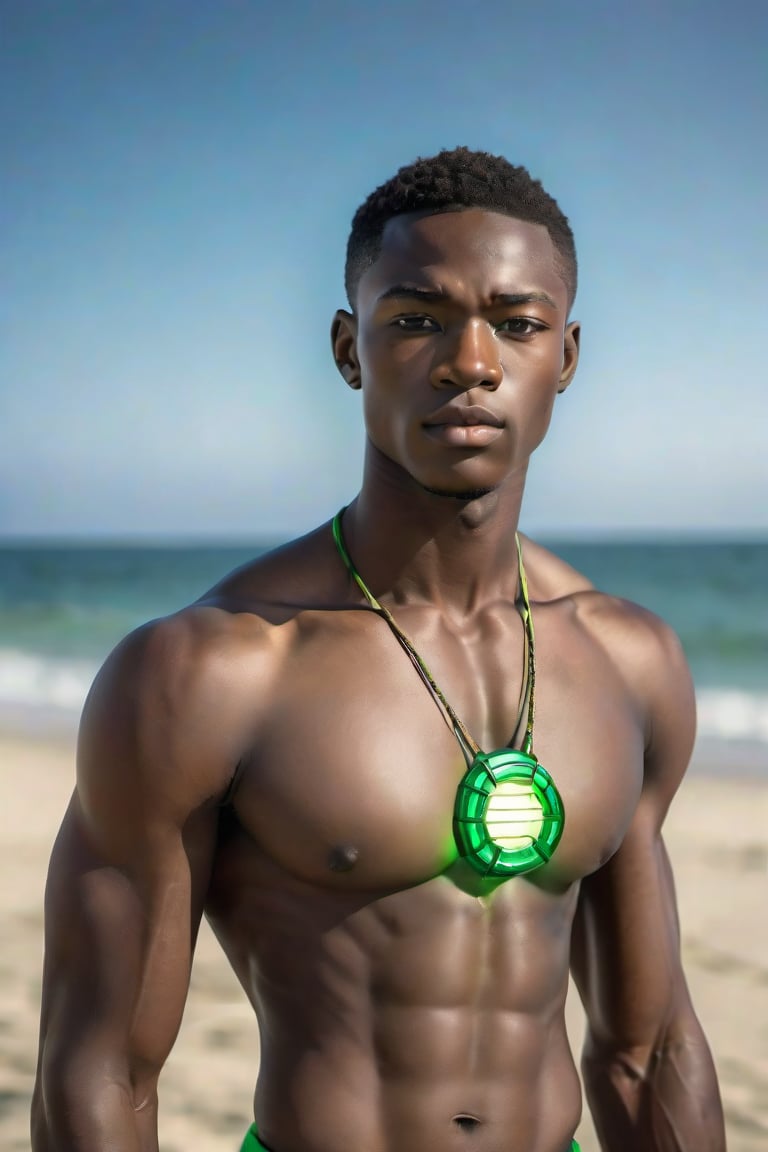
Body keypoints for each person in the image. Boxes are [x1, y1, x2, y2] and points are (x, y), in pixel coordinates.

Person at [32, 147, 726, 1152]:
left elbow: (651, 1047)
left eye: (516, 323)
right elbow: (98, 1071)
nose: (471, 363)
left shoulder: (632, 663)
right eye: (418, 320)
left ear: (564, 358)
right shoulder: (207, 672)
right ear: (350, 349)